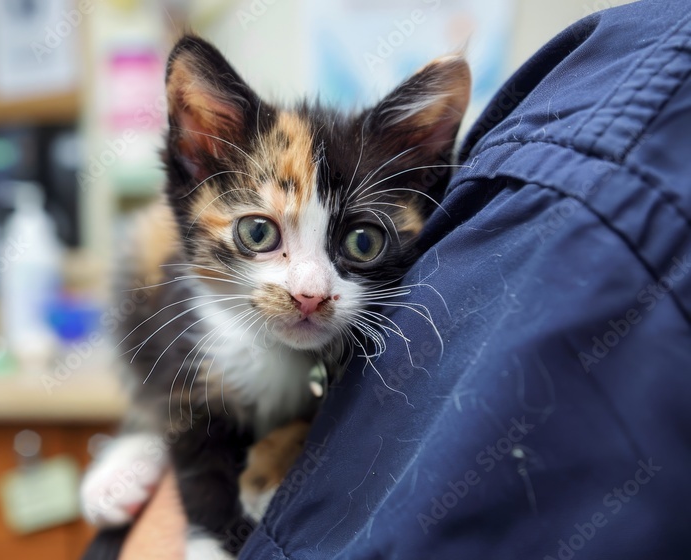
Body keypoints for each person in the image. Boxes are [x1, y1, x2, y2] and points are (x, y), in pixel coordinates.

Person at [117, 0, 691, 557]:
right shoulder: (205, 339)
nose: (310, 289)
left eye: (361, 242)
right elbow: (194, 434)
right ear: (195, 161)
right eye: (260, 235)